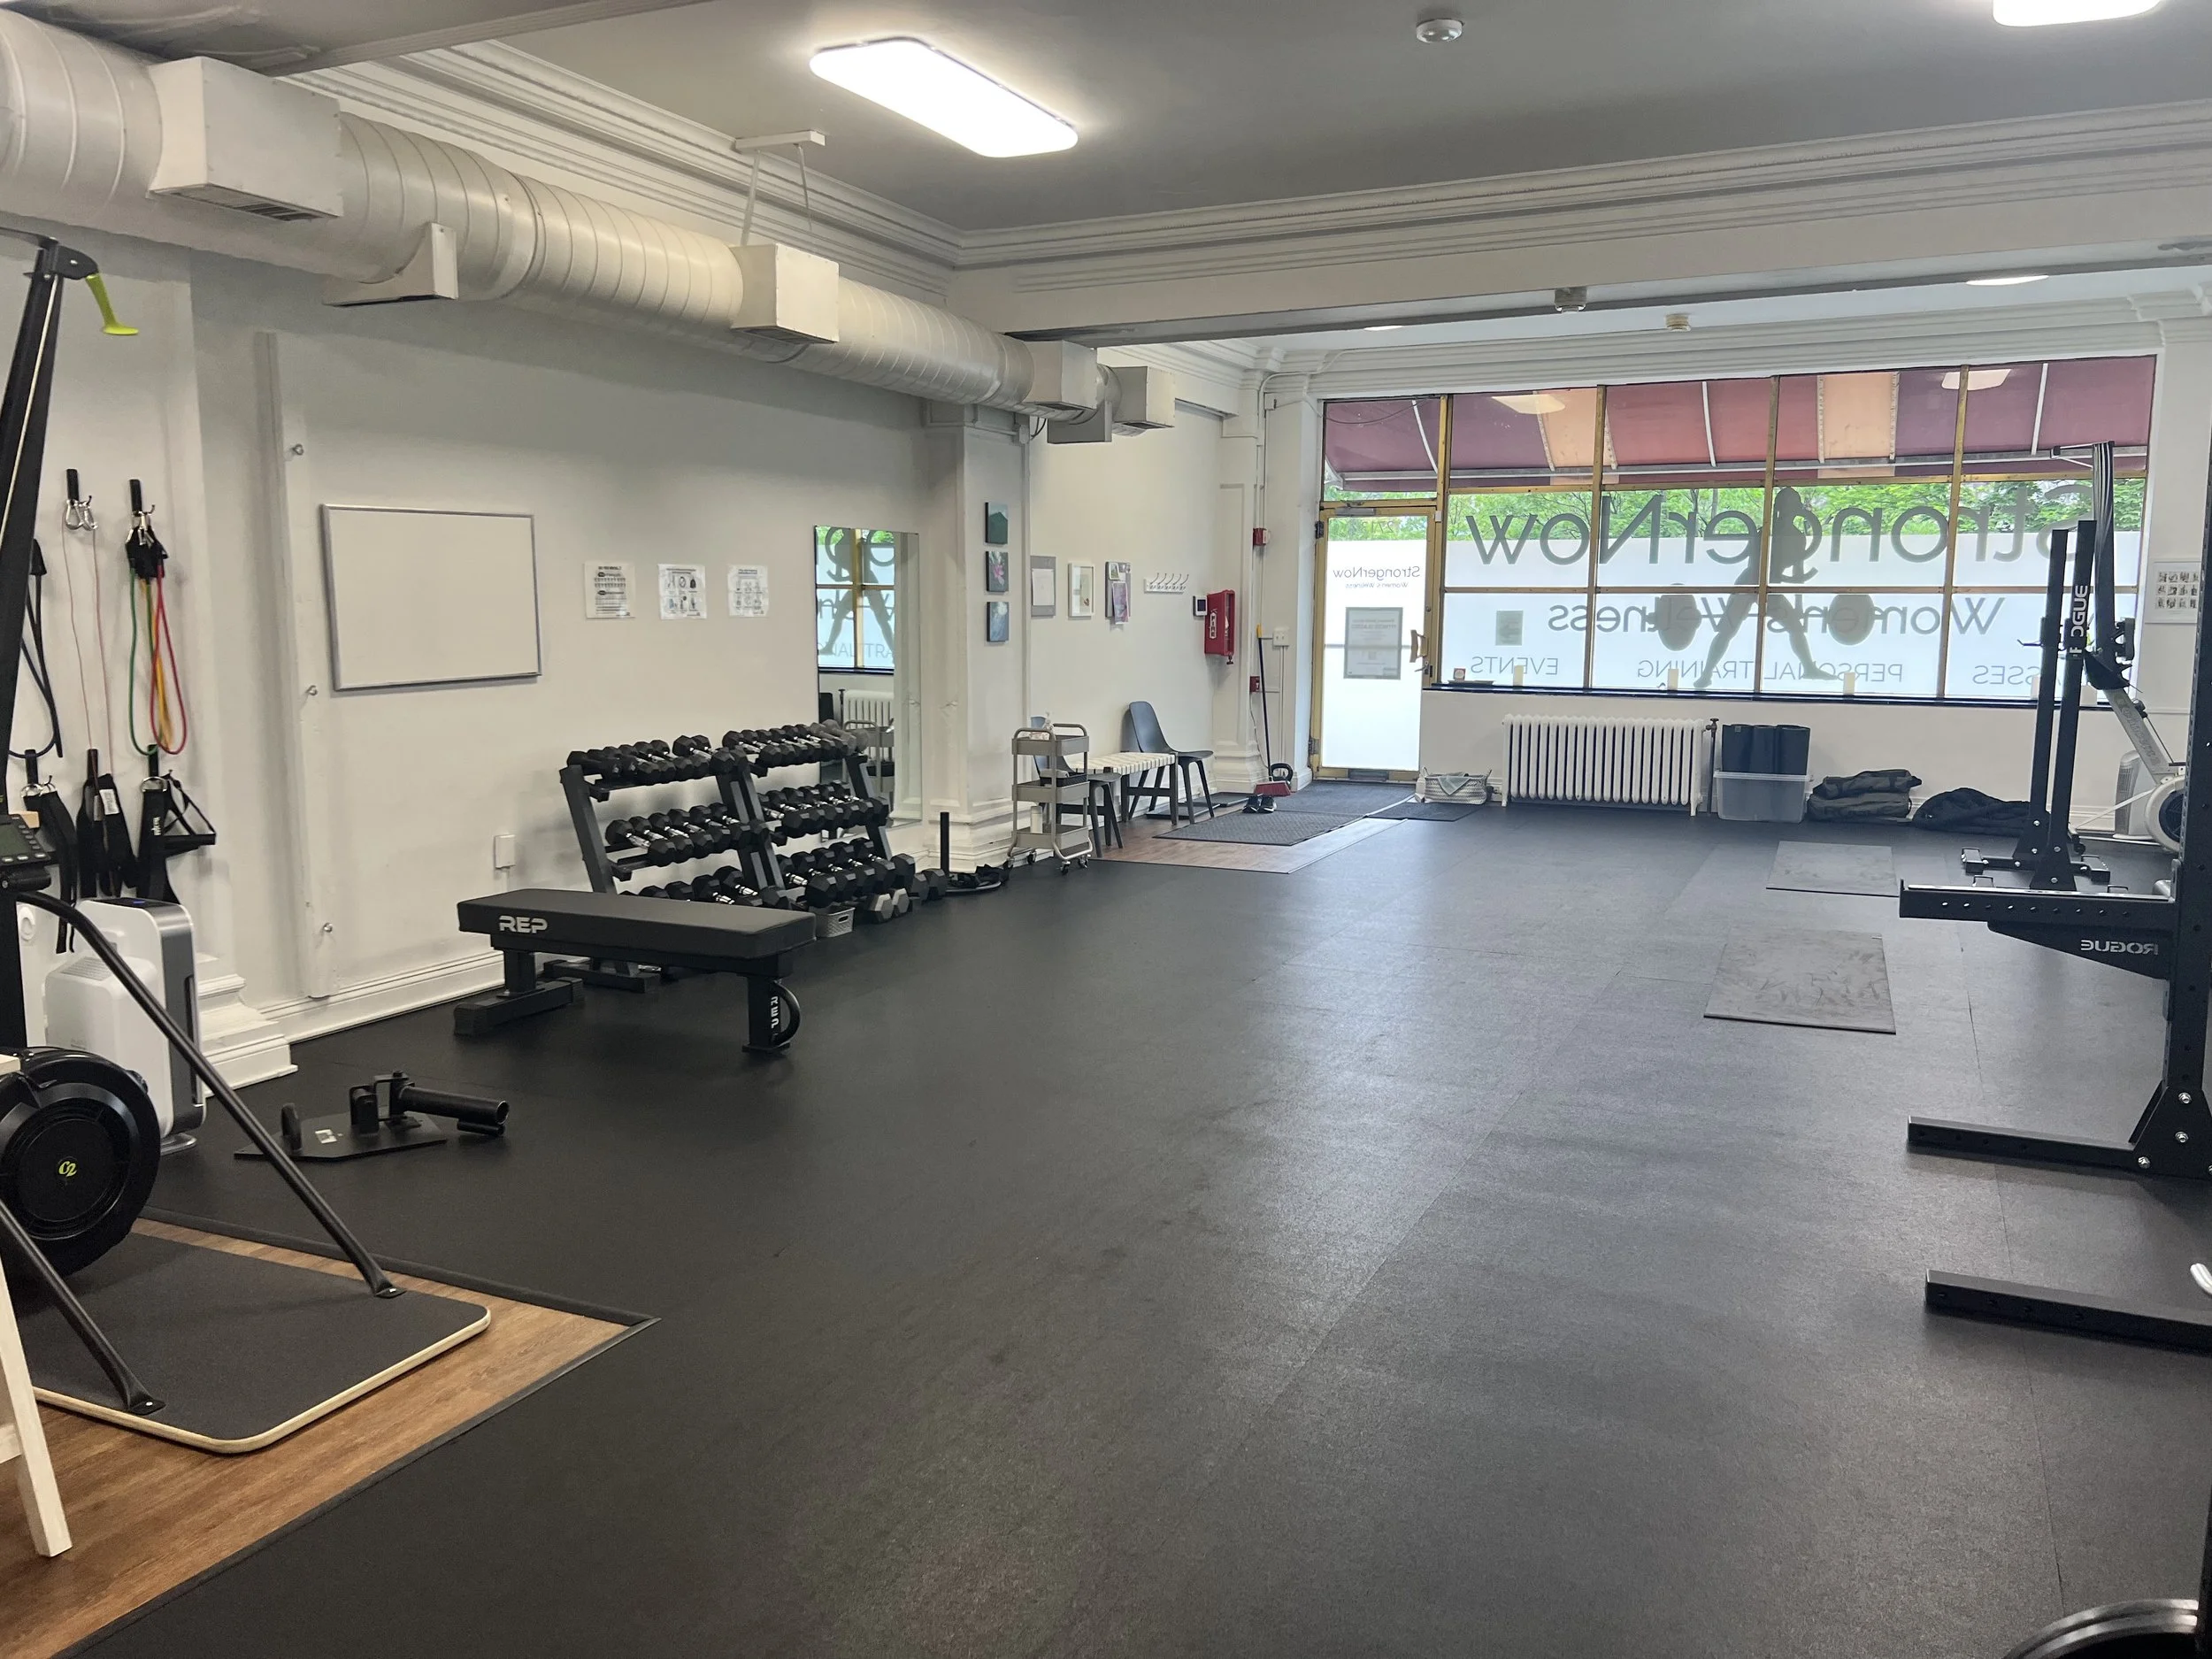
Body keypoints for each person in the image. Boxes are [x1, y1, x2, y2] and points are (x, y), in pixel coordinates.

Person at [1693, 484, 1833, 690]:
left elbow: (1797, 570)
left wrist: (1798, 601)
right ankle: (1706, 673)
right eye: (1786, 505)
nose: (1789, 510)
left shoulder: (1796, 537)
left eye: (1792, 505)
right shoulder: (1766, 532)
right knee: (1727, 630)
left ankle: (1809, 667)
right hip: (1750, 582)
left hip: (1771, 587)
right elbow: (1758, 563)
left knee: (1795, 627)